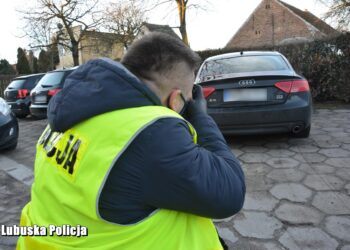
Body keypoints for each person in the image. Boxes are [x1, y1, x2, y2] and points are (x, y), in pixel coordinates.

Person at [17, 32, 245, 250]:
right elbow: (230, 192)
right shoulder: (150, 133)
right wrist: (201, 116)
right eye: (187, 98)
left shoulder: (69, 117)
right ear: (176, 99)